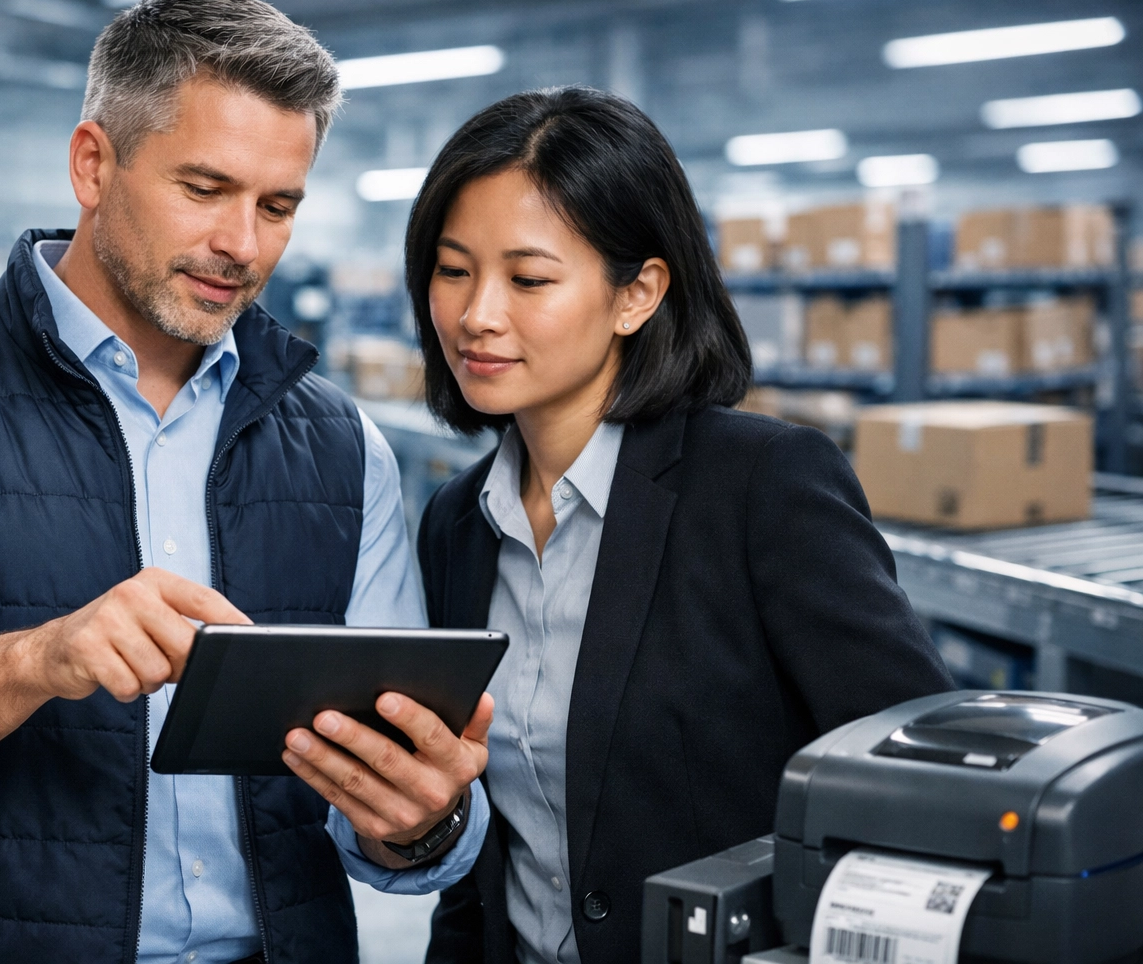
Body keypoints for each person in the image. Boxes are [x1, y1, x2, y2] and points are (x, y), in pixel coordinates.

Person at [0, 0, 493, 964]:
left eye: (277, 206)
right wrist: (30, 662)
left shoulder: (346, 450)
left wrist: (418, 818)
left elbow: (398, 834)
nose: (243, 245)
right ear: (95, 163)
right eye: (205, 189)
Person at [406, 87, 955, 964]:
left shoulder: (760, 488)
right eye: (453, 268)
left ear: (638, 294)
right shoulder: (457, 525)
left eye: (530, 278)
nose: (477, 315)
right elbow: (486, 854)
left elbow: (917, 783)